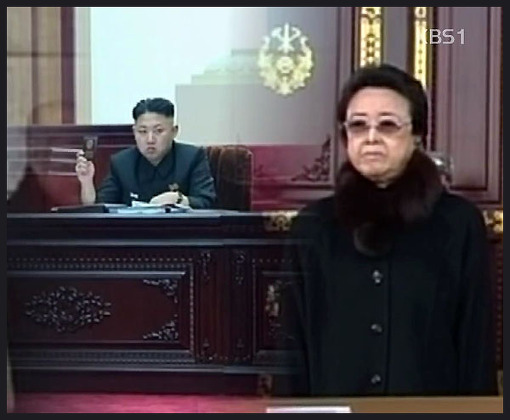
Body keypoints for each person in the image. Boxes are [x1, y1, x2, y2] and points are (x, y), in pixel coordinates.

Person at [279, 63, 497, 397]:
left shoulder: (458, 223)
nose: (371, 138)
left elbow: (475, 344)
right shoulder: (313, 227)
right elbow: (293, 347)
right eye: (358, 125)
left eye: (388, 125)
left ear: (417, 135)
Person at [75, 97, 216, 208]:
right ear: (134, 132)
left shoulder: (192, 157)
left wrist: (179, 199)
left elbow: (207, 202)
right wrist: (87, 182)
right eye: (142, 131)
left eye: (158, 131)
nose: (150, 139)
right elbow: (100, 210)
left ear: (174, 131)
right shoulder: (121, 163)